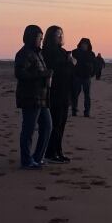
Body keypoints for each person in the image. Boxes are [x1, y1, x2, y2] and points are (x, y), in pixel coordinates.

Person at [15, 25, 52, 169]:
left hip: (41, 97)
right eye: (39, 38)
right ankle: (26, 160)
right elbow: (20, 73)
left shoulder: (38, 53)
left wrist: (46, 75)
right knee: (28, 130)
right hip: (30, 97)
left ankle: (37, 157)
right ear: (31, 37)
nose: (41, 41)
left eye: (42, 38)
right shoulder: (24, 53)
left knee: (47, 126)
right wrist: (42, 75)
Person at [42, 25, 76, 163]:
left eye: (62, 34)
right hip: (54, 92)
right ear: (51, 36)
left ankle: (58, 151)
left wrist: (71, 63)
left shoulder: (62, 51)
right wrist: (70, 63)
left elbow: (69, 70)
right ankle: (50, 153)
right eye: (58, 34)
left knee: (61, 124)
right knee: (55, 124)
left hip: (65, 92)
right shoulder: (48, 51)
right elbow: (55, 69)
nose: (60, 37)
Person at [71, 38, 96, 117]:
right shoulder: (75, 52)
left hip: (87, 76)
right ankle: (74, 110)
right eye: (83, 44)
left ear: (88, 45)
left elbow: (94, 65)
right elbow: (72, 64)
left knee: (87, 95)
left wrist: (92, 73)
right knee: (75, 94)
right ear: (80, 44)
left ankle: (87, 111)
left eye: (86, 44)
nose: (84, 45)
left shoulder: (91, 53)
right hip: (77, 76)